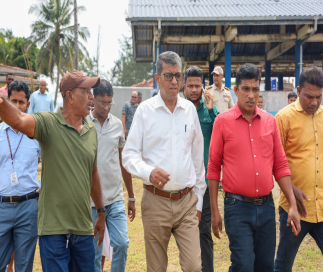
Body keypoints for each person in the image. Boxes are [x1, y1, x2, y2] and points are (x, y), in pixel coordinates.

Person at [0, 70, 105, 272]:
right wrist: (2, 102)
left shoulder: (91, 131)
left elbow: (93, 173)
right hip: (53, 230)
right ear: (69, 96)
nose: (91, 96)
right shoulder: (48, 123)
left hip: (83, 228)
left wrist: (101, 212)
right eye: (86, 91)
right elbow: (19, 120)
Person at [208, 63, 300, 272]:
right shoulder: (222, 122)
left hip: (267, 208)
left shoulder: (269, 121)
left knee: (266, 265)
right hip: (237, 207)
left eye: (255, 89)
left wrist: (292, 204)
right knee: (243, 265)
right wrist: (215, 211)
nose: (251, 95)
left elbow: (280, 165)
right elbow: (213, 168)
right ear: (236, 90)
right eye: (246, 89)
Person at [122, 51, 206, 272]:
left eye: (178, 75)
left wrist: (198, 201)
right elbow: (129, 155)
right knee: (157, 268)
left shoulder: (189, 111)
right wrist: (148, 172)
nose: (175, 81)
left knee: (194, 267)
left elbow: (198, 157)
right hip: (155, 202)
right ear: (157, 78)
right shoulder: (145, 111)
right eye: (169, 76)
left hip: (187, 201)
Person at [274, 66, 323, 271]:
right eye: (309, 96)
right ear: (298, 90)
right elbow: (273, 161)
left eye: (319, 97)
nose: (314, 102)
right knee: (283, 265)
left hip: (322, 206)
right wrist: (291, 189)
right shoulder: (283, 118)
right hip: (294, 209)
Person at [88, 79, 136, 272]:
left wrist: (131, 196)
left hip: (115, 199)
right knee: (94, 252)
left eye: (110, 103)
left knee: (122, 243)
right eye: (102, 102)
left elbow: (124, 164)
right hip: (90, 202)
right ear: (93, 99)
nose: (106, 107)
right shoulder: (84, 125)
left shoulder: (117, 126)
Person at [0, 81, 40, 272]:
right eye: (13, 101)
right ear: (7, 102)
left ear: (28, 105)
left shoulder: (37, 134)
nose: (17, 106)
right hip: (1, 207)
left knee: (24, 267)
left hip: (28, 207)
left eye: (21, 102)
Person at [183, 66, 219, 272]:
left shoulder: (209, 110)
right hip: (182, 186)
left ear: (203, 86)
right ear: (184, 86)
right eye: (190, 86)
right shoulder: (178, 110)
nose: (194, 89)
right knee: (186, 237)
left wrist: (212, 108)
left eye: (198, 85)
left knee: (204, 232)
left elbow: (221, 132)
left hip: (203, 185)